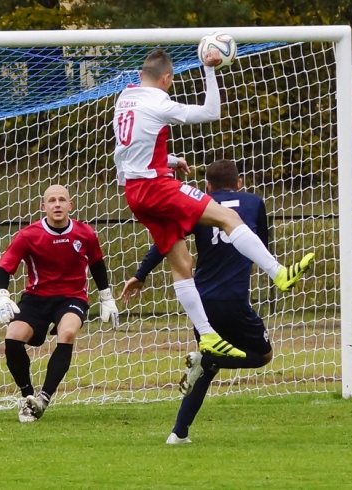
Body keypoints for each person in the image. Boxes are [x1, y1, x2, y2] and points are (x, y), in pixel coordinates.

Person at [112, 48, 314, 359]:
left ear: (141, 75)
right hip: (156, 187)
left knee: (182, 265)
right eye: (171, 81)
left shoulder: (124, 98)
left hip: (135, 192)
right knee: (228, 218)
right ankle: (278, 273)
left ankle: (206, 334)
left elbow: (131, 149)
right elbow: (210, 112)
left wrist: (169, 159)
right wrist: (209, 69)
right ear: (166, 79)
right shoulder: (159, 101)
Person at [120, 159, 276, 444]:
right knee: (262, 356)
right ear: (240, 183)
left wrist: (140, 274)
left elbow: (164, 243)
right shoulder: (254, 202)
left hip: (201, 302)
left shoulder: (199, 204)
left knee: (208, 368)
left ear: (207, 186)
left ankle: (178, 433)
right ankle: (206, 360)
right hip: (234, 300)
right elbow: (260, 244)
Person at [0, 184, 118, 423]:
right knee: (12, 336)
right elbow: (4, 268)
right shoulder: (28, 235)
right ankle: (28, 398)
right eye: (52, 200)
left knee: (68, 332)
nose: (57, 204)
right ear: (44, 207)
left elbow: (97, 265)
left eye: (62, 200)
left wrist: (106, 298)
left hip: (72, 298)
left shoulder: (86, 233)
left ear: (70, 205)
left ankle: (44, 398)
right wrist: (1, 294)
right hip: (37, 298)